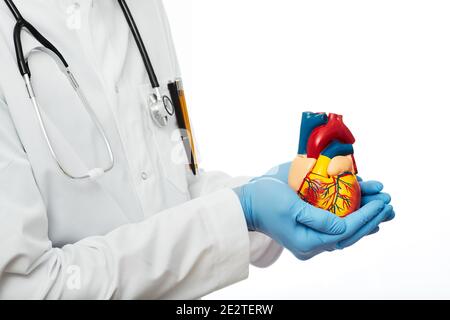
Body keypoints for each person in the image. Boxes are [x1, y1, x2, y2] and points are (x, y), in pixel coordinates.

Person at [0, 0, 394, 299]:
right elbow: (29, 286)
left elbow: (170, 192)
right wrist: (241, 212)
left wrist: (276, 199)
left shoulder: (137, 8)